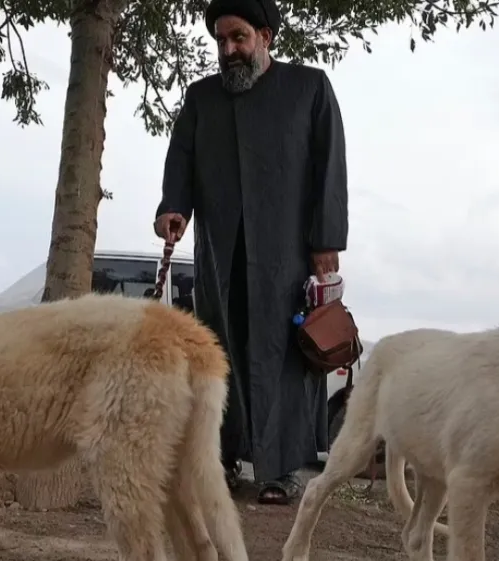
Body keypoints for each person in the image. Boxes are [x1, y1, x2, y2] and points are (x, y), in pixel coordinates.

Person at [153, 0, 349, 505]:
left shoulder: (309, 88)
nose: (228, 49)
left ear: (265, 36)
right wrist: (173, 207)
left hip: (288, 255)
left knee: (285, 357)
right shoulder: (201, 98)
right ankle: (220, 460)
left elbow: (330, 168)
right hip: (221, 253)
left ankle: (283, 470)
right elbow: (181, 157)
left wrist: (326, 241)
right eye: (220, 40)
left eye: (238, 37)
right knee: (219, 351)